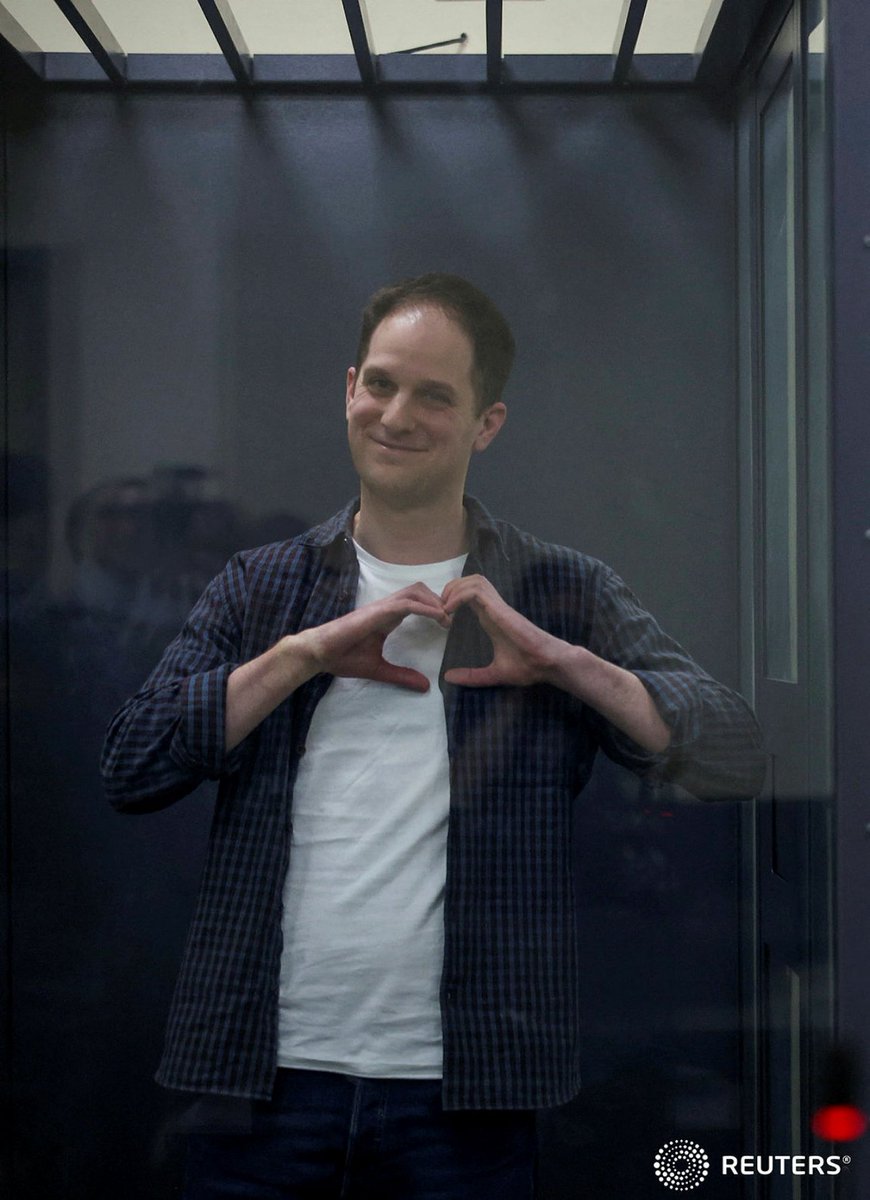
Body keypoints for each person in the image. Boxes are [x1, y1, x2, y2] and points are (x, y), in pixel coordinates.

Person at [102, 273, 765, 1199]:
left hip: (467, 1092)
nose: (395, 413)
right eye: (379, 383)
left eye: (433, 395)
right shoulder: (264, 588)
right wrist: (299, 657)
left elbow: (738, 754)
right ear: (348, 388)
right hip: (263, 1078)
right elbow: (132, 765)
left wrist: (565, 663)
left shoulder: (558, 589)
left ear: (486, 423)